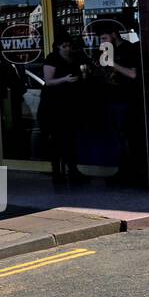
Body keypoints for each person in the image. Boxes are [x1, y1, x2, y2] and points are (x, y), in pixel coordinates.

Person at [92, 25, 143, 184]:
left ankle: (131, 171)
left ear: (114, 35)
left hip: (126, 99)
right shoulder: (108, 50)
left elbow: (132, 74)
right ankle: (122, 169)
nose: (103, 43)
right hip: (111, 98)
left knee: (127, 136)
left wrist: (112, 64)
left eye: (105, 38)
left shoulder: (129, 49)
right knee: (117, 136)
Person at [39, 34, 89, 184]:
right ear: (58, 47)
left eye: (69, 46)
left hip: (69, 104)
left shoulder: (74, 59)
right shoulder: (52, 58)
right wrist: (65, 79)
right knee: (56, 139)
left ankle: (72, 170)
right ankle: (57, 172)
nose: (67, 49)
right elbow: (48, 81)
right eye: (64, 46)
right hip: (53, 105)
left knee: (70, 138)